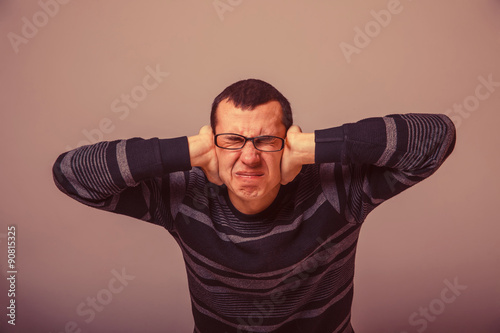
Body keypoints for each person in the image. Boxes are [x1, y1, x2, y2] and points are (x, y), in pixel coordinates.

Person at [52, 79, 456, 333]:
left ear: (290, 143)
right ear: (211, 143)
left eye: (266, 140)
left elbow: (436, 137)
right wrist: (188, 151)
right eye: (231, 140)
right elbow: (71, 174)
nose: (248, 158)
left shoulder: (338, 188)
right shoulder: (182, 195)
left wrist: (313, 147)